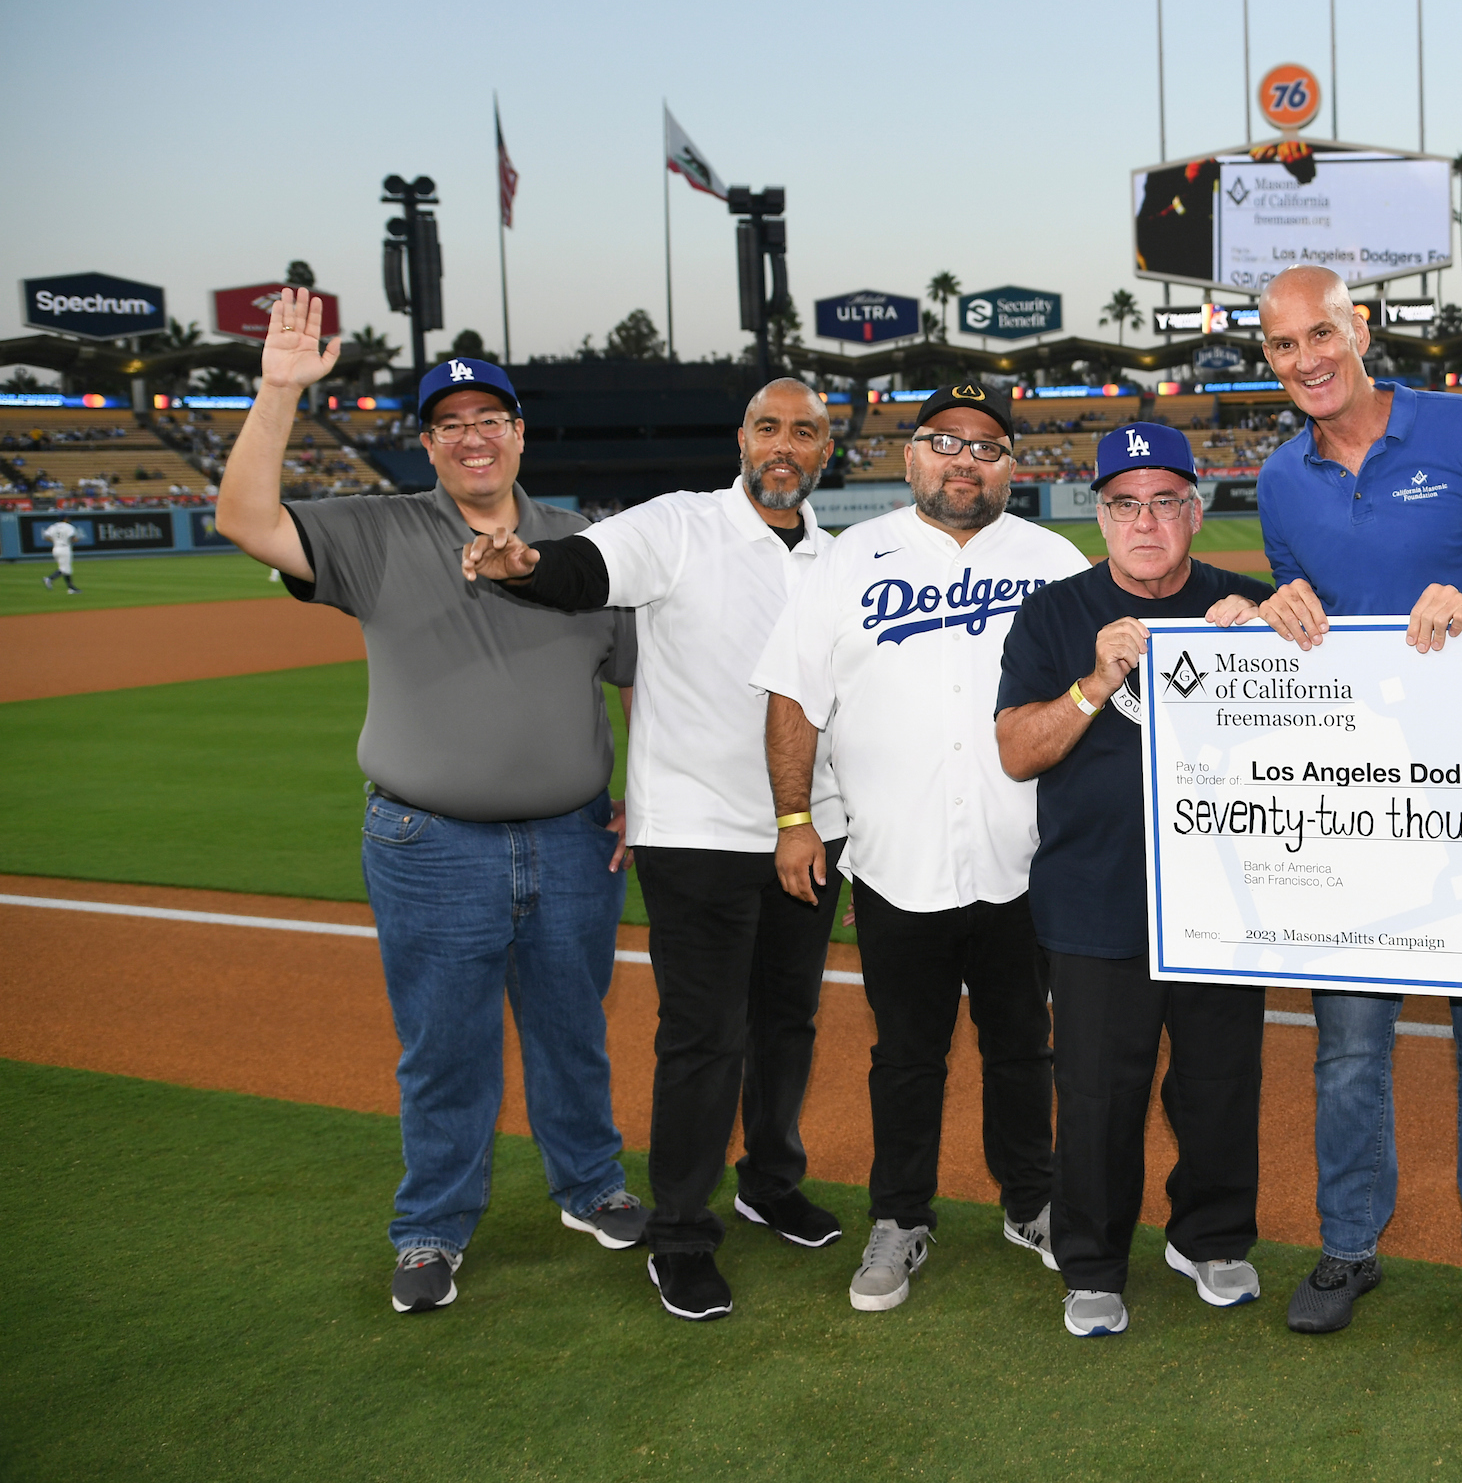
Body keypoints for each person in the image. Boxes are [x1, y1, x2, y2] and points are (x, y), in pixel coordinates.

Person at [213, 292, 647, 1314]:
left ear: (519, 433)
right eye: (449, 424)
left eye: (489, 418)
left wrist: (645, 789)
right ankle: (432, 1227)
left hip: (574, 840)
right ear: (427, 444)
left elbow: (640, 676)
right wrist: (279, 391)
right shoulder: (376, 532)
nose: (472, 437)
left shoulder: (585, 546)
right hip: (430, 839)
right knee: (444, 1044)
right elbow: (243, 517)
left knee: (572, 1032)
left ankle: (589, 1184)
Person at [1227, 264, 1462, 1355]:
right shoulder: (1281, 479)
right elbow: (1311, 620)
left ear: (1358, 327)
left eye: (1321, 332)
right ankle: (1349, 1244)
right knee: (1349, 1044)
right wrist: (1281, 607)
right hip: (1358, 801)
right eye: (1283, 346)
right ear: (1270, 361)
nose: (1307, 358)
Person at [458, 378, 851, 1323]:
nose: (784, 445)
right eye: (769, 428)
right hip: (698, 832)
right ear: (743, 440)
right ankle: (680, 1229)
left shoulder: (840, 559)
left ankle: (769, 1178)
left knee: (787, 1021)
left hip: (812, 829)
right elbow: (580, 571)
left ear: (826, 452)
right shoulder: (679, 525)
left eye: (805, 431)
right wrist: (519, 565)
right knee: (703, 1036)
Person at [753, 383, 1088, 1313]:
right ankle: (900, 1217)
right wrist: (793, 820)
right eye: (945, 442)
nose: (964, 461)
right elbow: (793, 695)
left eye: (985, 447)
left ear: (1011, 468)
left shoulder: (1052, 559)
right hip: (897, 861)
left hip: (1022, 858)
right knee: (906, 1056)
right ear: (911, 457)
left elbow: (1098, 693)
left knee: (1025, 1047)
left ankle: (1033, 1201)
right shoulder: (852, 559)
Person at [993, 423, 1274, 1338]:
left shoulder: (1253, 602)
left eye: (1165, 501)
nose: (1146, 521)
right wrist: (1094, 680)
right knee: (1098, 1091)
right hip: (1095, 893)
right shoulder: (1054, 615)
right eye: (1125, 504)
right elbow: (1015, 752)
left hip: (1227, 893)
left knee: (1219, 1083)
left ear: (1196, 510)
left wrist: (1275, 638)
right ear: (1099, 514)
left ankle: (1212, 1238)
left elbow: (1331, 732)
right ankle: (1092, 1262)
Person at [40, 517, 80, 593]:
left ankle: (71, 588)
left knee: (65, 568)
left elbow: (46, 537)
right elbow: (73, 538)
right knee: (65, 569)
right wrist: (77, 540)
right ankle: (49, 579)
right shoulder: (68, 526)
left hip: (56, 548)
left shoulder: (53, 526)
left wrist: (55, 541)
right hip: (64, 548)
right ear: (65, 519)